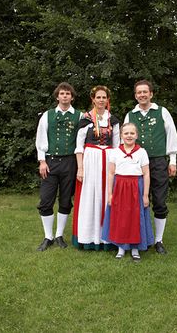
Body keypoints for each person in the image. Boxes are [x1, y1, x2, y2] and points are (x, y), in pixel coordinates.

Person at [124, 79, 177, 254]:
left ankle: (158, 240)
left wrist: (172, 160)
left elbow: (171, 135)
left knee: (160, 202)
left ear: (151, 94)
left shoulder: (162, 112)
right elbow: (124, 140)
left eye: (145, 92)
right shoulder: (130, 115)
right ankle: (140, 237)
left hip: (157, 162)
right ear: (135, 95)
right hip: (135, 163)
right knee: (137, 201)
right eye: (139, 92)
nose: (142, 95)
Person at [72, 85, 120, 250]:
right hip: (90, 160)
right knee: (91, 195)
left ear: (108, 100)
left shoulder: (113, 120)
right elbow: (79, 146)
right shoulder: (86, 119)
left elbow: (118, 145)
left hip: (108, 159)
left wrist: (117, 167)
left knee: (106, 194)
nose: (101, 100)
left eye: (104, 97)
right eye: (98, 97)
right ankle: (89, 236)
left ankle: (107, 237)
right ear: (93, 99)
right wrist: (80, 168)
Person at [36, 82, 82, 251]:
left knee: (65, 200)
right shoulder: (47, 115)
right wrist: (42, 161)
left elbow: (84, 139)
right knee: (46, 200)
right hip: (50, 162)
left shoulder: (80, 116)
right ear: (57, 96)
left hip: (70, 162)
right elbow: (41, 138)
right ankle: (48, 236)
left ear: (72, 97)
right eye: (62, 93)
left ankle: (59, 235)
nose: (65, 96)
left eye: (68, 94)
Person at [102, 123, 154, 261]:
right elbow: (111, 173)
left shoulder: (142, 152)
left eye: (132, 133)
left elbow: (146, 174)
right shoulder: (115, 152)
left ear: (136, 135)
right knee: (121, 218)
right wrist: (110, 194)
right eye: (126, 133)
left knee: (135, 217)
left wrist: (145, 195)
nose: (129, 136)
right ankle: (121, 247)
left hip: (136, 187)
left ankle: (135, 248)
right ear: (121, 136)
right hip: (119, 187)